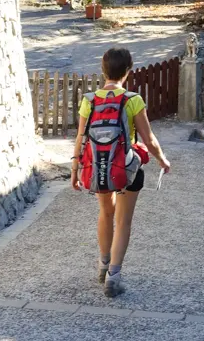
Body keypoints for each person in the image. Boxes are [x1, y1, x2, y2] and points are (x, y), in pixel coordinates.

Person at [71, 48, 171, 298]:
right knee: (123, 220)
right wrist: (162, 159)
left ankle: (103, 265)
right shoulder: (132, 99)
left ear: (102, 70)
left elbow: (80, 138)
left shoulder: (89, 100)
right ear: (128, 71)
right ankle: (114, 276)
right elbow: (148, 139)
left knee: (105, 212)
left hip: (98, 167)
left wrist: (74, 169)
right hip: (126, 168)